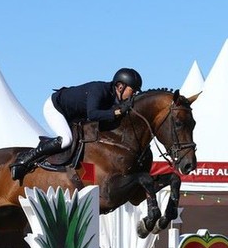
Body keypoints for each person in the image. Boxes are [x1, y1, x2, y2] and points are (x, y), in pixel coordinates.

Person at [9, 68, 143, 181]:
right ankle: (26, 159)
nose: (134, 95)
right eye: (133, 91)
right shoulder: (99, 90)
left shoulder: (113, 98)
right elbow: (93, 114)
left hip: (74, 116)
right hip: (56, 108)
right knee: (66, 140)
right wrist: (116, 112)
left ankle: (83, 177)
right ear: (121, 86)